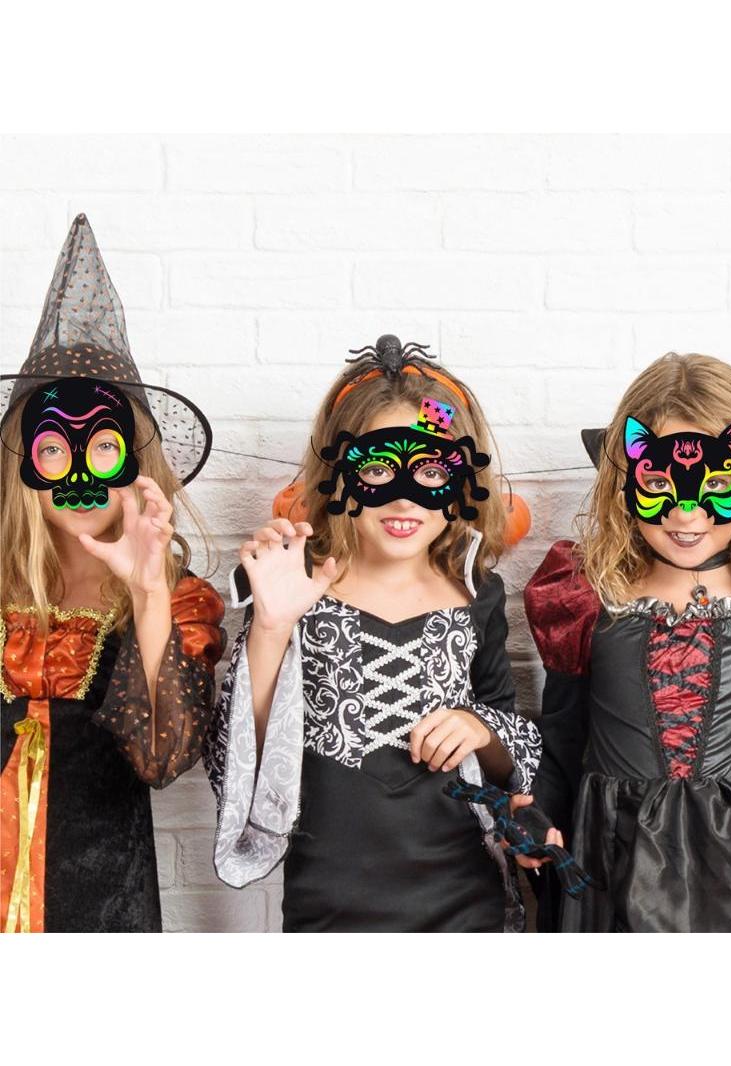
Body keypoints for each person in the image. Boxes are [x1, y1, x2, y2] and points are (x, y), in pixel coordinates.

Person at [205, 335, 543, 931]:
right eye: (380, 468)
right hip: (330, 897)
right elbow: (237, 756)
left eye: (430, 470)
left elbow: (512, 741)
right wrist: (273, 625)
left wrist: (478, 728)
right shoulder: (293, 584)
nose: (404, 498)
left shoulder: (478, 591)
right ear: (339, 476)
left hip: (466, 895)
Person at [0, 215, 225, 933]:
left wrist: (148, 589)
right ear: (25, 463)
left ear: (135, 458)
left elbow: (164, 759)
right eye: (54, 450)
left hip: (100, 912)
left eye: (103, 447)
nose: (79, 474)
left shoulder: (177, 601)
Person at [524, 352, 731, 932]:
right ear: (626, 481)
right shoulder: (585, 596)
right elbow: (563, 738)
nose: (687, 511)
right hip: (613, 860)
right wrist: (539, 816)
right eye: (658, 483)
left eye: (716, 484)